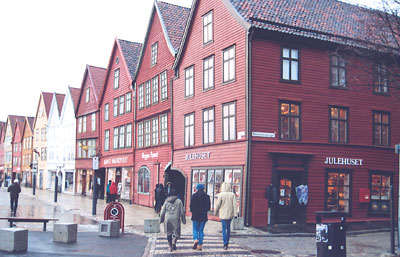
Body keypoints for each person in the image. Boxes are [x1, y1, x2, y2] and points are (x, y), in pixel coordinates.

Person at [215, 182, 238, 250]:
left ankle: (225, 243)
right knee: (228, 228)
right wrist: (235, 214)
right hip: (230, 214)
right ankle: (227, 242)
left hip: (223, 214)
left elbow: (218, 204)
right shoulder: (232, 195)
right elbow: (235, 205)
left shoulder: (221, 195)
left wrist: (215, 211)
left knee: (224, 228)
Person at [190, 184, 210, 251]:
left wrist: (193, 211)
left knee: (195, 229)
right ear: (203, 189)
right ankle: (200, 245)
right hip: (203, 216)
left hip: (195, 216)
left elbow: (191, 206)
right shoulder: (207, 197)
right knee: (201, 230)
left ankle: (195, 239)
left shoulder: (194, 196)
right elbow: (208, 207)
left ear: (197, 189)